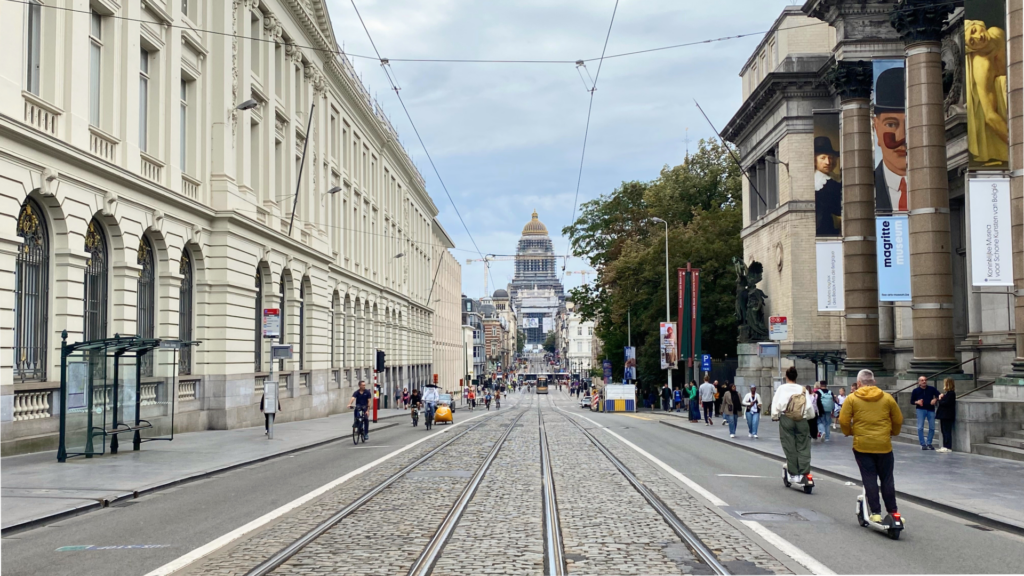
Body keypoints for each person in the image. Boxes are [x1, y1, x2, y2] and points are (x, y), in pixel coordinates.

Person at [839, 369, 904, 524]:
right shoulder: (887, 398)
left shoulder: (852, 399)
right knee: (887, 479)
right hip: (884, 445)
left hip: (862, 445)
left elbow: (843, 420)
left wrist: (850, 432)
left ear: (859, 383)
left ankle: (875, 512)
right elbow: (898, 419)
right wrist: (892, 432)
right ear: (874, 382)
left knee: (869, 478)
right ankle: (893, 511)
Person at [771, 367, 816, 485]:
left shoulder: (781, 388)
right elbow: (810, 407)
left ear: (786, 376)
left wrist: (775, 416)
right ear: (796, 377)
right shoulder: (802, 389)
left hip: (787, 418)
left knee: (789, 445)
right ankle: (805, 472)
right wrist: (809, 417)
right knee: (803, 446)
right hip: (801, 419)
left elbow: (776, 403)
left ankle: (794, 473)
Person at [873, 66, 908, 213]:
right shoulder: (869, 186)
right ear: (876, 127)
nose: (901, 137)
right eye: (891, 124)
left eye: (910, 124)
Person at [814, 136, 843, 236]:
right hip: (823, 230)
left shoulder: (833, 180)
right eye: (823, 158)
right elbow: (838, 208)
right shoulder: (825, 184)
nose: (828, 162)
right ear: (814, 160)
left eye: (830, 158)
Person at [910, 375, 940, 450]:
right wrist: (917, 402)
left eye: (925, 380)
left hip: (930, 409)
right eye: (922, 380)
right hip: (920, 409)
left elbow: (939, 395)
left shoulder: (932, 389)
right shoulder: (915, 391)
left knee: (932, 427)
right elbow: (912, 401)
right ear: (919, 382)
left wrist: (935, 399)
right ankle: (923, 443)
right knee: (920, 427)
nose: (924, 382)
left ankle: (929, 442)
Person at [936, 378, 957, 453]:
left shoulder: (951, 393)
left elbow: (946, 403)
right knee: (944, 431)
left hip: (947, 415)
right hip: (944, 415)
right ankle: (945, 445)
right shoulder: (948, 393)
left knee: (946, 431)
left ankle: (948, 446)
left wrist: (940, 399)